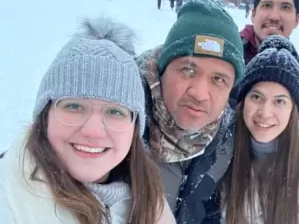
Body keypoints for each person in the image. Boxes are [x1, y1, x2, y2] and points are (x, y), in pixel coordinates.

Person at [0, 17, 176, 224]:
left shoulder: (151, 203)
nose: (93, 131)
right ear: (44, 116)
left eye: (115, 111)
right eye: (74, 106)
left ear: (135, 127)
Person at [218, 35, 299, 224]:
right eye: (256, 97)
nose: (265, 113)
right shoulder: (223, 151)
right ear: (243, 101)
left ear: (293, 109)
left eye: (279, 101)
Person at [134, 0, 245, 223]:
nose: (199, 94)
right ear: (162, 69)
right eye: (188, 70)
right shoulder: (120, 124)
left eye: (218, 79)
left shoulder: (228, 139)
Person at [230, 0, 299, 109]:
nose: (274, 16)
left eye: (285, 7)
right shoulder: (228, 58)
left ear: (297, 20)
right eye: (267, 5)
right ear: (253, 14)